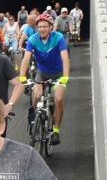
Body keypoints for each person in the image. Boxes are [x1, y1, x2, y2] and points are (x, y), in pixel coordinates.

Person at [18, 14, 71, 145]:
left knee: (58, 99)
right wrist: (22, 76)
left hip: (58, 74)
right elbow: (26, 59)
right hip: (42, 73)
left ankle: (56, 130)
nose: (42, 29)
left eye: (45, 26)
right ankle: (37, 118)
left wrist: (65, 77)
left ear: (51, 27)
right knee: (36, 96)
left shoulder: (58, 38)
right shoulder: (33, 39)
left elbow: (65, 58)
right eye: (39, 27)